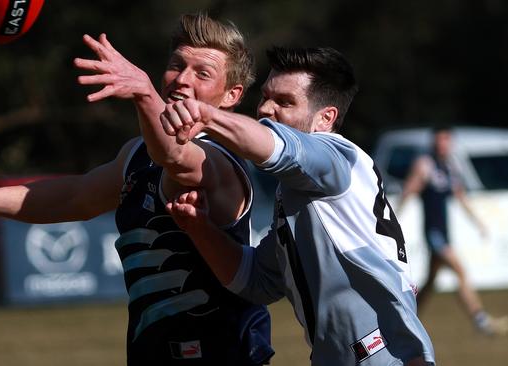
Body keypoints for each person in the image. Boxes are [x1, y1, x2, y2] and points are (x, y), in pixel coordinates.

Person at [0, 13, 274, 366]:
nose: (181, 79)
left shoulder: (219, 157)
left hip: (220, 354)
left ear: (231, 96)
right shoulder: (136, 153)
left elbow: (174, 154)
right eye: (176, 65)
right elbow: (76, 197)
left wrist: (143, 92)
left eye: (202, 73)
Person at [162, 46, 436, 365]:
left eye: (284, 102)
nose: (265, 109)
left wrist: (206, 116)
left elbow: (279, 147)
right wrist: (200, 228)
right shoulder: (298, 193)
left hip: (381, 356)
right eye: (265, 96)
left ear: (326, 118)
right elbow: (258, 281)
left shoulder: (335, 156)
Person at [397, 127, 508, 336]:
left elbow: (460, 197)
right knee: (460, 271)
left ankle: (405, 319)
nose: (443, 144)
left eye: (446, 140)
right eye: (440, 140)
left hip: (444, 232)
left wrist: (478, 222)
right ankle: (481, 320)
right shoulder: (425, 165)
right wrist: (393, 219)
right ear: (434, 142)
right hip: (434, 233)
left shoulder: (449, 166)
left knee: (430, 281)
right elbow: (409, 190)